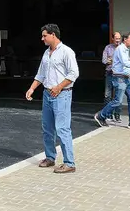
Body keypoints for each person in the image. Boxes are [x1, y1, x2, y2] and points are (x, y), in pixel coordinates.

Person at [25, 24, 79, 174]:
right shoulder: (46, 53)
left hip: (62, 95)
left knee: (62, 129)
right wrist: (32, 88)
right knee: (47, 128)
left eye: (44, 36)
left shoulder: (67, 52)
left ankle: (69, 162)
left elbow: (74, 73)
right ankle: (50, 157)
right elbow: (41, 74)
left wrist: (59, 87)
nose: (42, 39)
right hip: (47, 94)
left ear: (53, 35)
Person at [94, 32, 130, 128]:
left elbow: (126, 64)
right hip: (119, 78)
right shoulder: (120, 49)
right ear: (125, 40)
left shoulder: (125, 50)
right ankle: (100, 116)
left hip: (125, 78)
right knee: (117, 101)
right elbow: (126, 63)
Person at [101, 32, 122, 122]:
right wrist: (114, 61)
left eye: (119, 38)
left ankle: (117, 115)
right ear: (112, 38)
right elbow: (104, 60)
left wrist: (112, 60)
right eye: (116, 38)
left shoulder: (122, 48)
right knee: (107, 95)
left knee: (118, 95)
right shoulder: (108, 47)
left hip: (119, 74)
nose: (118, 40)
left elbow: (123, 61)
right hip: (109, 73)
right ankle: (108, 115)